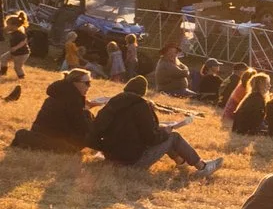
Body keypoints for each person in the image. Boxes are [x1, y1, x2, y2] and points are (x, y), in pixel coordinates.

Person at [87, 75, 218, 178]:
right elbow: (151, 139)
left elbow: (97, 129)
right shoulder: (140, 106)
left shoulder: (111, 104)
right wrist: (165, 132)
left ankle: (181, 162)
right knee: (173, 137)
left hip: (111, 156)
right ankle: (202, 167)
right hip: (132, 160)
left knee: (164, 135)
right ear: (142, 93)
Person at [18, 68, 96, 151]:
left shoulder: (62, 93)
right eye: (87, 83)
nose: (89, 86)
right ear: (75, 83)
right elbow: (82, 127)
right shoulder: (72, 100)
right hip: (55, 138)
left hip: (43, 133)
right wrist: (87, 111)